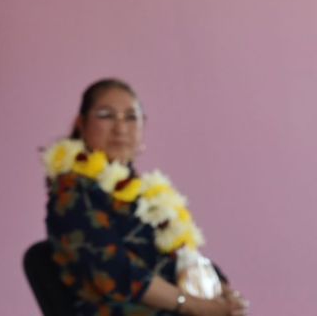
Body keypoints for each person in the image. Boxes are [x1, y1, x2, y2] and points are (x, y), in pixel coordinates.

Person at [43, 79, 248, 316]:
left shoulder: (145, 192)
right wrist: (193, 306)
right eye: (106, 115)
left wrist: (223, 293)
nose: (121, 128)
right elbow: (118, 272)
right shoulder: (72, 192)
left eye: (131, 117)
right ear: (81, 124)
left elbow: (183, 255)